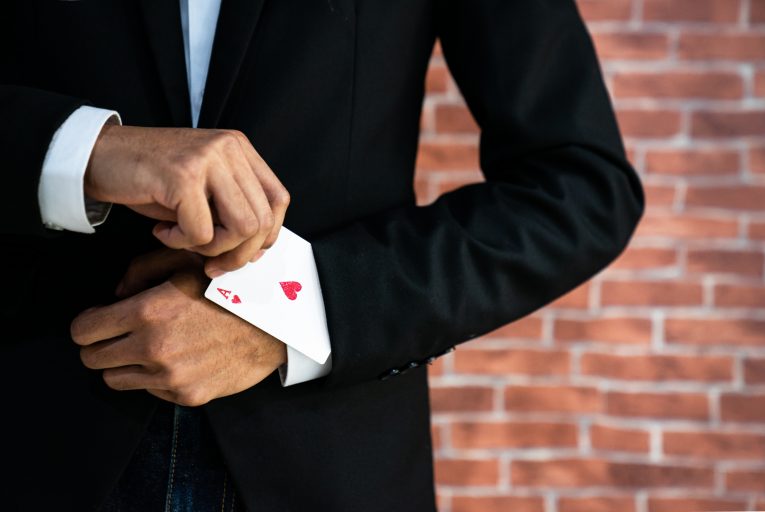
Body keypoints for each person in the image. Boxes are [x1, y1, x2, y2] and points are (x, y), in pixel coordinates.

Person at [1, 0, 644, 510]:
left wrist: (299, 314)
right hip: (31, 442)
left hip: (329, 463)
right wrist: (80, 151)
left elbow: (579, 189)